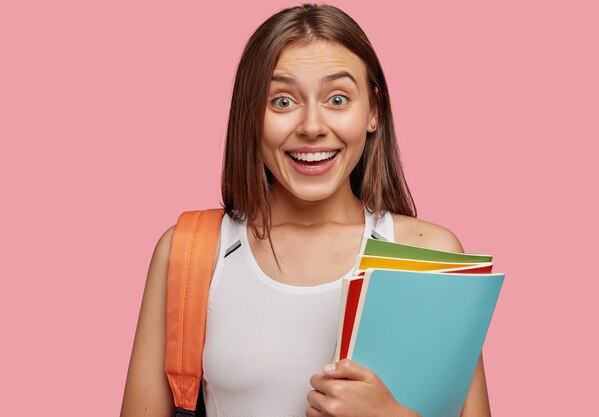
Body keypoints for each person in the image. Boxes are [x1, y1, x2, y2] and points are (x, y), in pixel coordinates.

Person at [120, 3, 491, 417]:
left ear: (373, 111)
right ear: (249, 117)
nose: (312, 126)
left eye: (337, 98)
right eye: (281, 101)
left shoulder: (429, 255)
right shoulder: (190, 253)